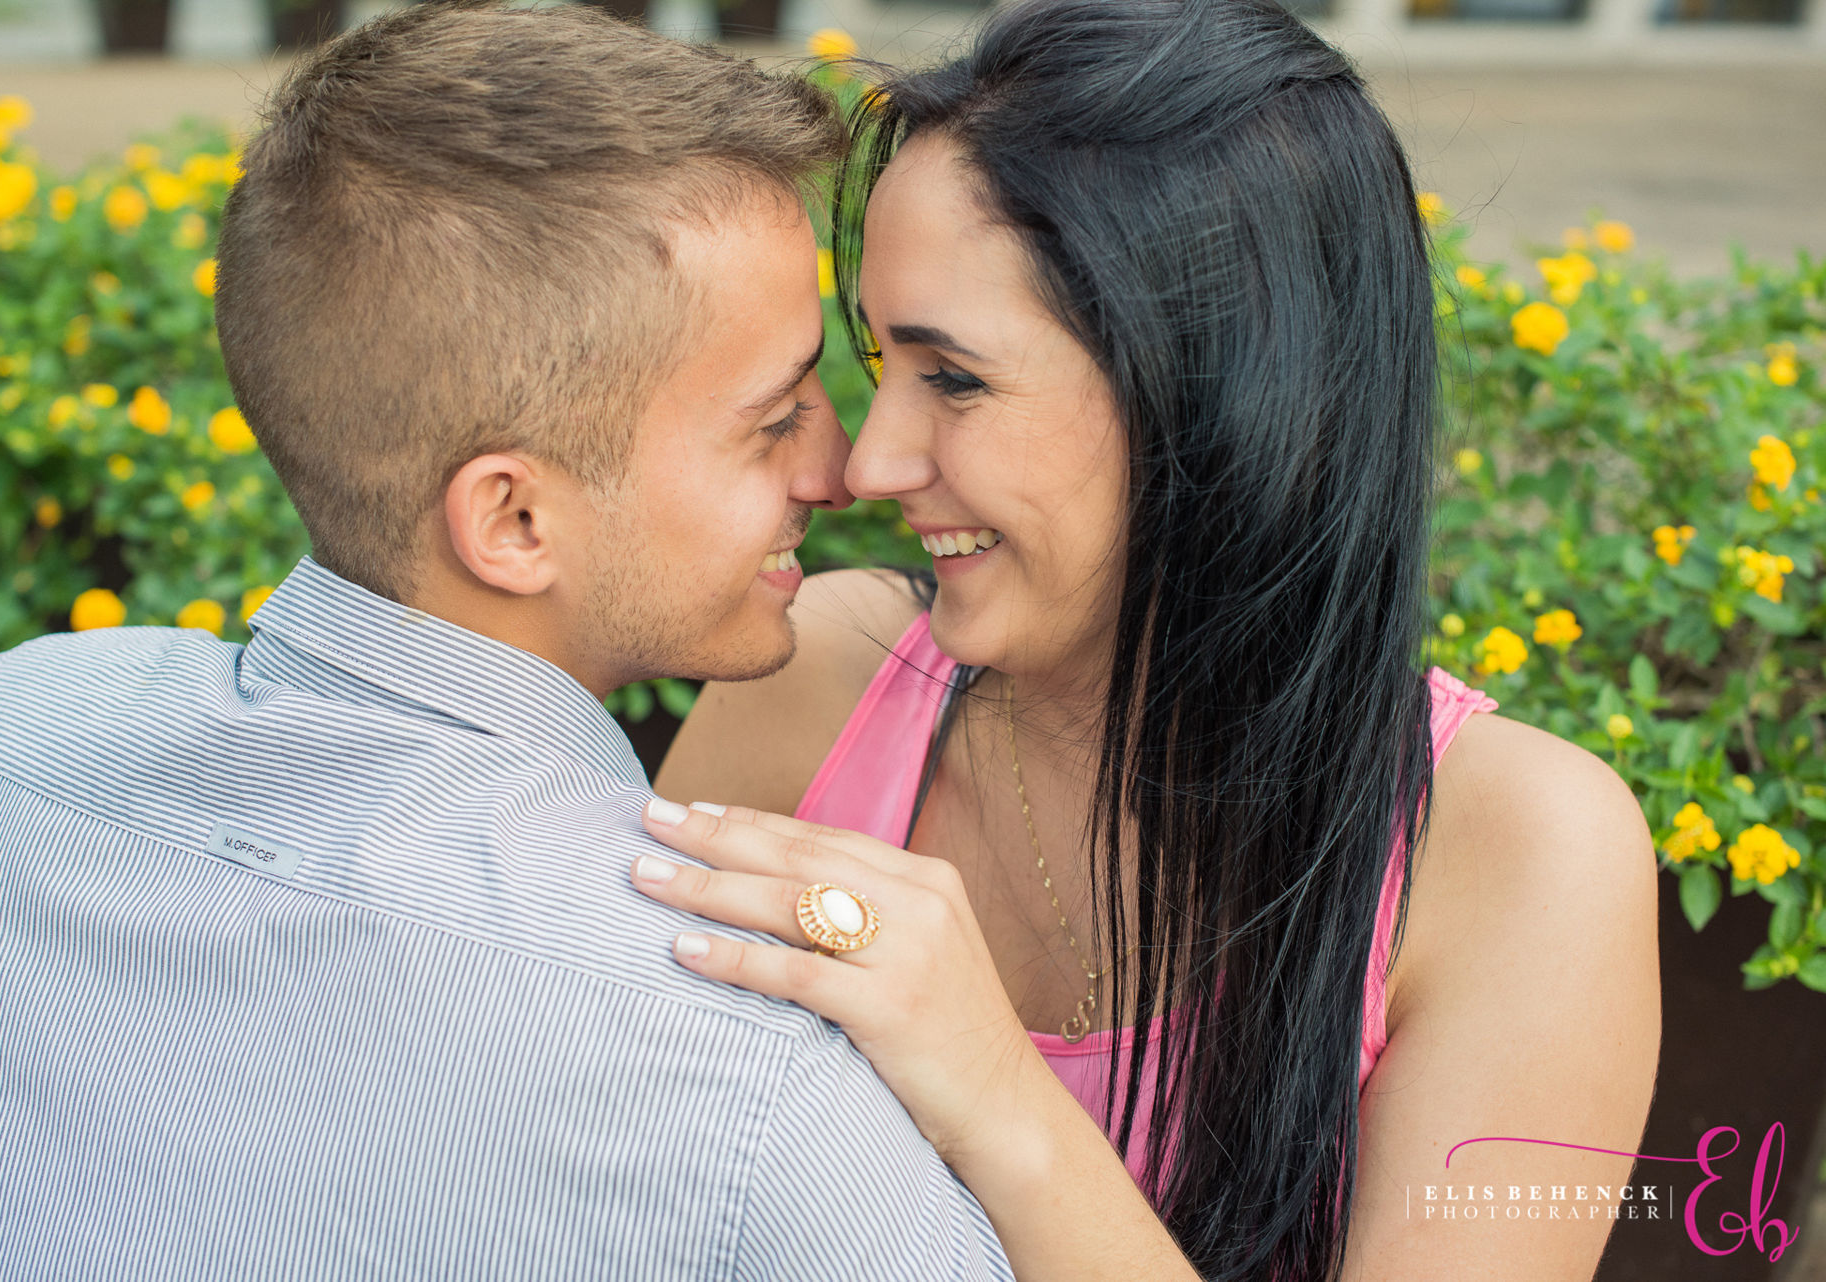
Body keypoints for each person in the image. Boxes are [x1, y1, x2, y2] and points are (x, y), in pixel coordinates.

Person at [0, 4, 1012, 1277]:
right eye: (773, 418)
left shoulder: (5, 752)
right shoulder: (756, 1079)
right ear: (515, 517)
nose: (847, 464)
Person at [643, 0, 1662, 1278]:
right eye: (874, 362)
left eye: (952, 377)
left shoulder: (1517, 855)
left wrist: (994, 1091)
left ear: (1226, 394)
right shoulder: (821, 680)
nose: (870, 458)